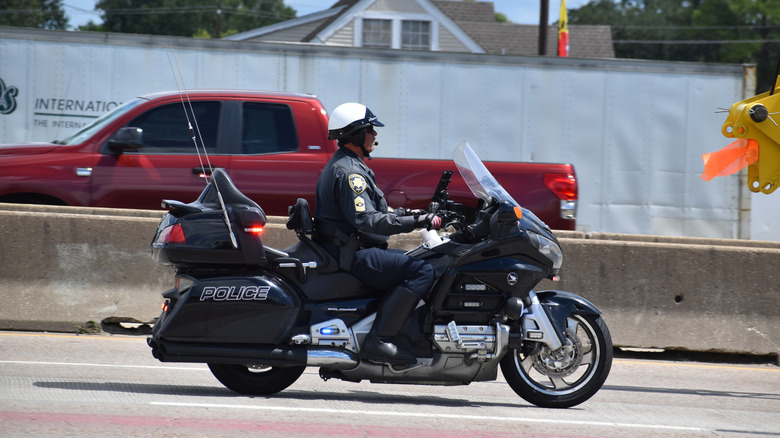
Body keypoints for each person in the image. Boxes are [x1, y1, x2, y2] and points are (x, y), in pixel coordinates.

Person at [313, 102, 441, 366]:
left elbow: (375, 211)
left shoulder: (348, 165)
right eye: (371, 129)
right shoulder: (350, 173)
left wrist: (413, 214)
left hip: (352, 249)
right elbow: (366, 220)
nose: (375, 135)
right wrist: (417, 221)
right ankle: (379, 340)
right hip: (354, 254)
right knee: (422, 270)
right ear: (356, 134)